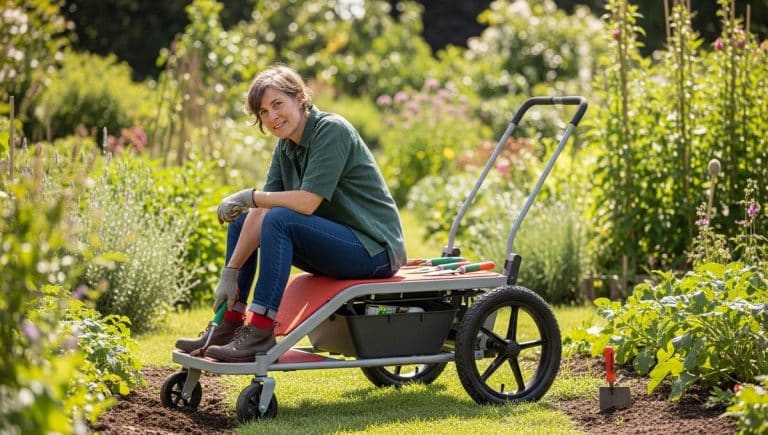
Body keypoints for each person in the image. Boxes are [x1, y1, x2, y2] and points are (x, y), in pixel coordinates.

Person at [175, 65, 407, 362]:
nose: (272, 117)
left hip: (374, 249)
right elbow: (259, 209)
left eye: (277, 104)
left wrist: (251, 196)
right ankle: (229, 324)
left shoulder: (331, 130)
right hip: (339, 243)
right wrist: (230, 272)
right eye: (263, 112)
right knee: (246, 218)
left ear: (300, 98)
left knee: (278, 218)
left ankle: (260, 332)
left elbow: (308, 202)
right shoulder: (285, 147)